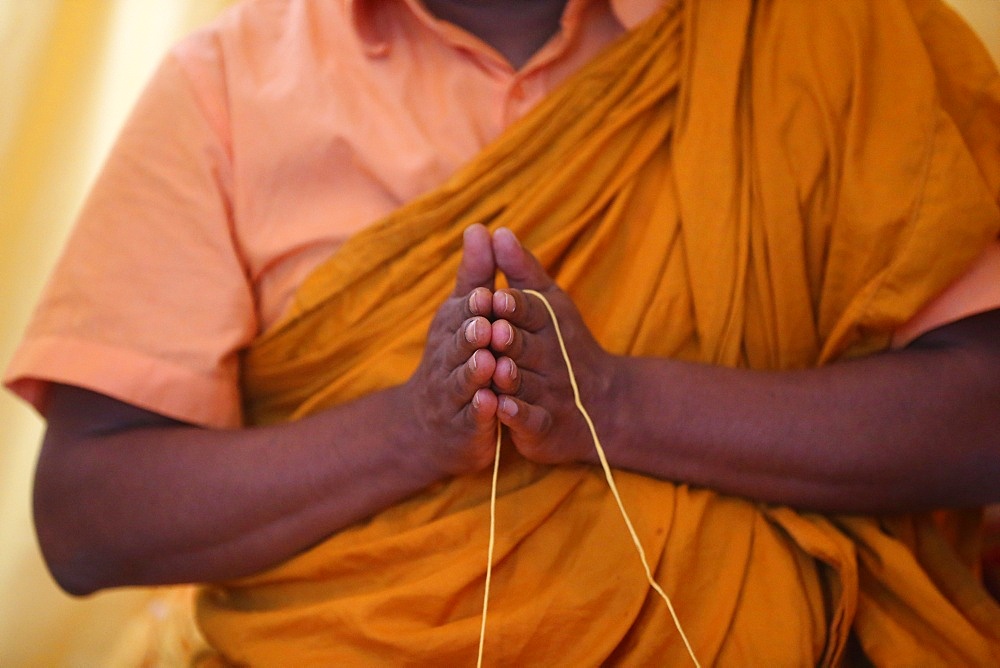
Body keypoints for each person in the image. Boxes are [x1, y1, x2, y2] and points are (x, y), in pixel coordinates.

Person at [5, 0, 1000, 663]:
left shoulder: (823, 34)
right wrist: (406, 431)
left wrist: (614, 402)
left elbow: (980, 414)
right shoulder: (226, 86)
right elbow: (86, 517)